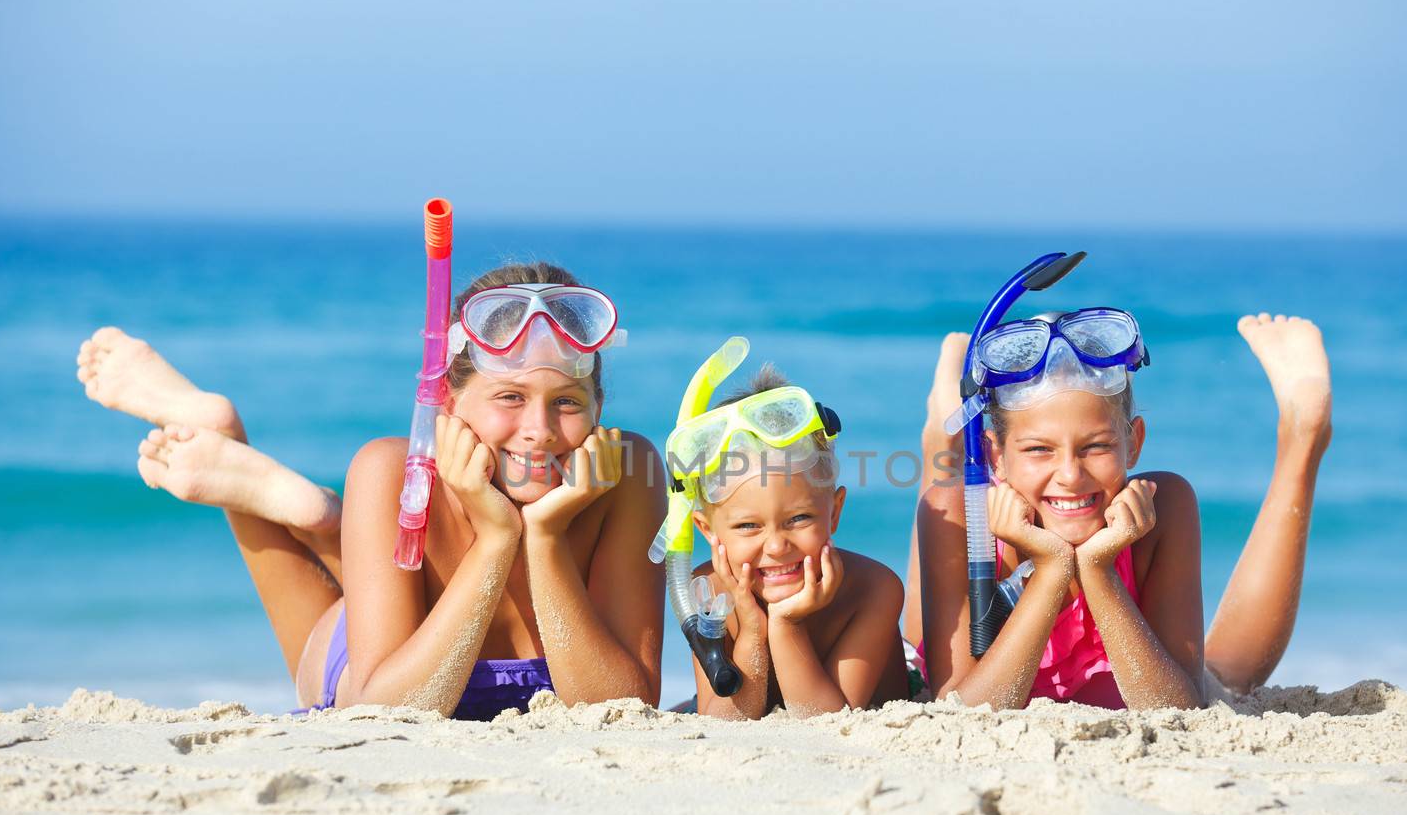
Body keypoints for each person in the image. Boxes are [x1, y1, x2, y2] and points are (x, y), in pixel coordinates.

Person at [76, 264, 666, 718]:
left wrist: (543, 536)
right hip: (376, 669)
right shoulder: (391, 471)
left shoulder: (628, 473)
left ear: (599, 409)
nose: (539, 430)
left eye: (566, 403)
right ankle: (235, 450)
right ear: (449, 404)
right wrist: (494, 538)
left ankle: (325, 519)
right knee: (327, 635)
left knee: (370, 569)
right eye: (509, 398)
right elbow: (385, 711)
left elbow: (618, 708)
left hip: (419, 636)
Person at [907, 307, 1332, 710]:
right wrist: (1051, 571)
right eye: (1039, 449)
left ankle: (1303, 436)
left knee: (1223, 678)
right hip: (970, 517)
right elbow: (965, 710)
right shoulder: (963, 516)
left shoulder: (1163, 506)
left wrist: (1098, 570)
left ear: (1134, 442)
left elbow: (1179, 708)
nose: (1070, 475)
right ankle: (941, 440)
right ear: (996, 456)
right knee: (918, 636)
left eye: (1097, 446)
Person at [659, 352, 910, 719]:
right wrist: (751, 633)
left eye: (800, 518)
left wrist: (786, 623)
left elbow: (823, 722)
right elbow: (725, 720)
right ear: (707, 530)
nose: (776, 546)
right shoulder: (709, 592)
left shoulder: (874, 589)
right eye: (748, 526)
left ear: (835, 511)